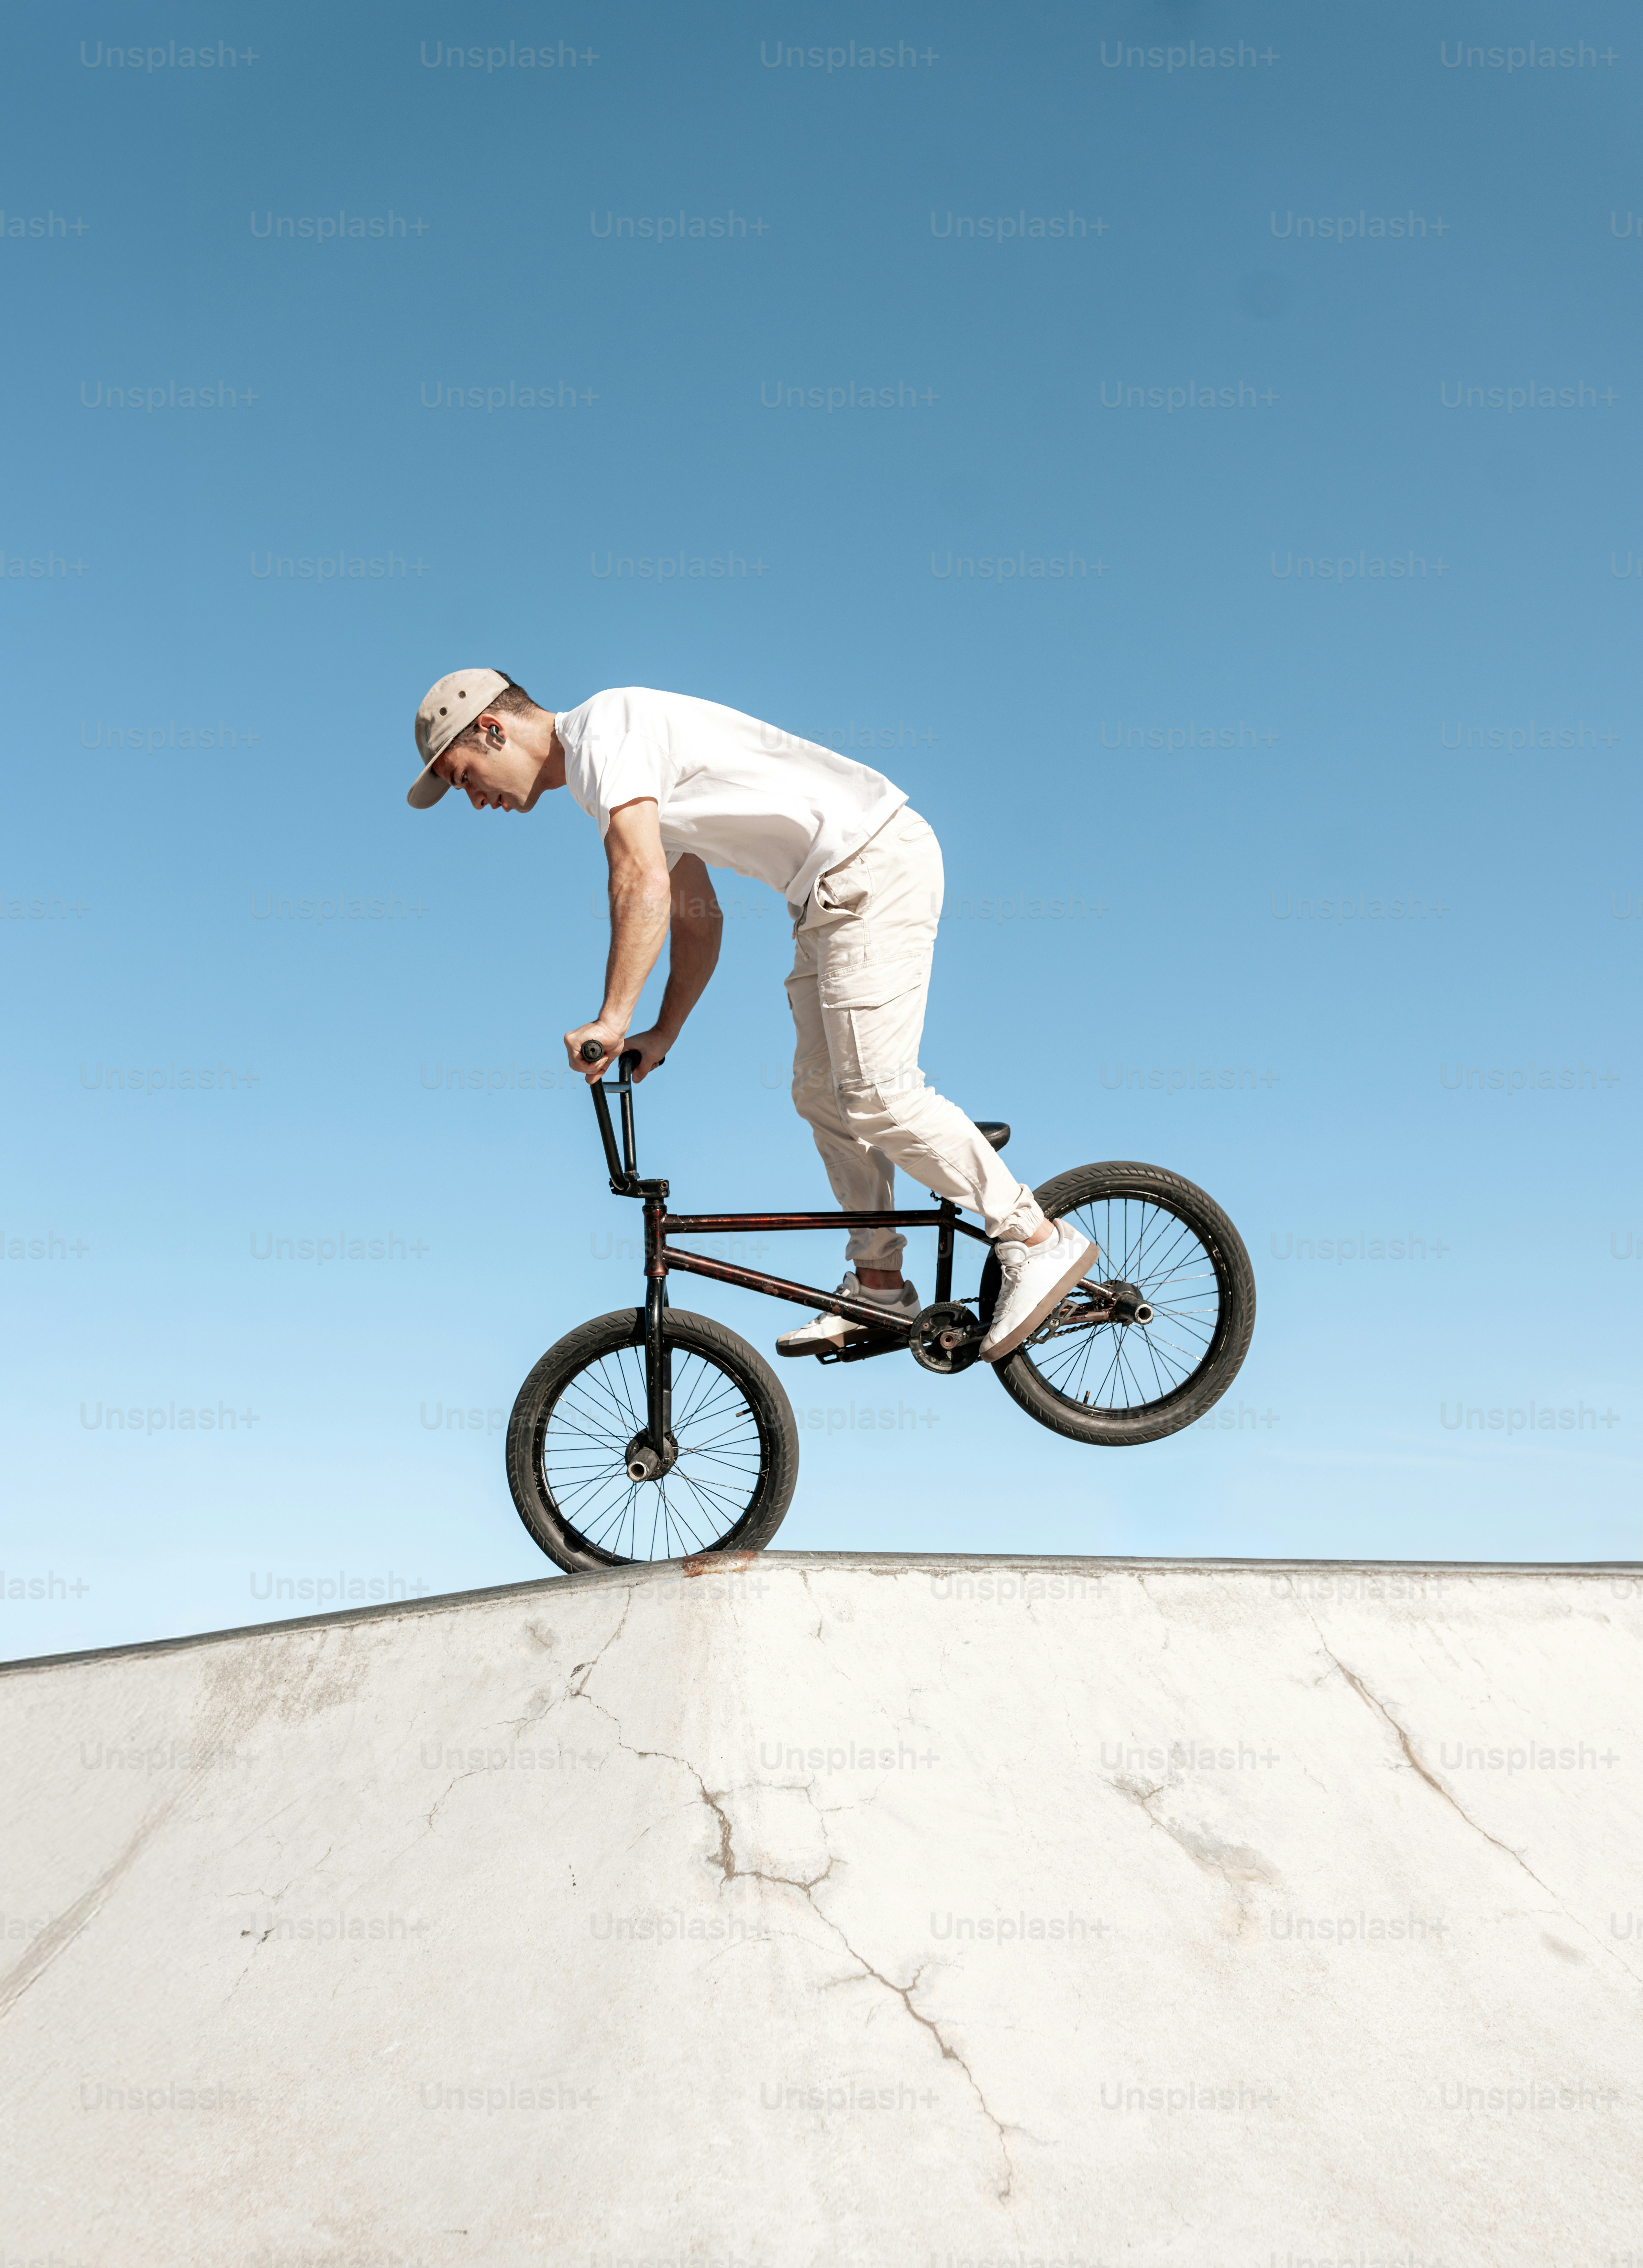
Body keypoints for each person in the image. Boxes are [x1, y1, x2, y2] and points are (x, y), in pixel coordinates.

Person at [404, 670, 1095, 1362]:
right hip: (826, 898)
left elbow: (639, 880)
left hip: (871, 865)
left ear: (491, 730)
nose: (471, 799)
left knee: (880, 1094)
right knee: (821, 1094)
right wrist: (664, 1030)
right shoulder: (614, 781)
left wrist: (612, 1018)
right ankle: (881, 1286)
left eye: (460, 776)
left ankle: (1036, 1239)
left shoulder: (606, 734)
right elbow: (696, 919)